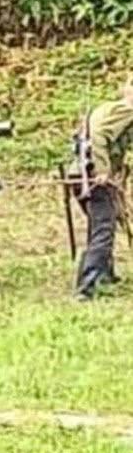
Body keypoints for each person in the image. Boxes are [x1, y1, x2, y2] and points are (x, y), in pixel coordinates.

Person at [73, 78, 133, 300]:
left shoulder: (110, 108)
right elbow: (98, 135)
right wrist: (103, 170)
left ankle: (106, 275)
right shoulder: (127, 111)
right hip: (94, 176)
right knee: (103, 230)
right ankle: (86, 287)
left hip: (80, 173)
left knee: (100, 225)